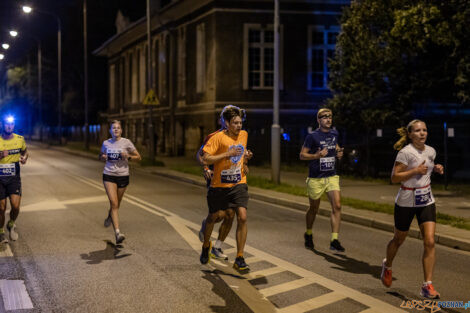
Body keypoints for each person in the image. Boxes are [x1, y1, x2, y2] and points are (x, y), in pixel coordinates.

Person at [381, 120, 444, 299]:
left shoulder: (431, 151)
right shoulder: (405, 153)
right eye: (417, 131)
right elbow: (394, 177)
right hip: (407, 200)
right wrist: (415, 170)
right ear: (410, 134)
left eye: (424, 130)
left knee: (430, 241)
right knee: (398, 239)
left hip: (426, 199)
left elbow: (429, 168)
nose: (422, 133)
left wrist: (437, 168)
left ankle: (427, 286)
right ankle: (388, 265)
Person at [197, 105, 252, 261]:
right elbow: (202, 156)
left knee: (237, 215)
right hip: (218, 183)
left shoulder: (243, 135)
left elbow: (241, 153)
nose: (239, 125)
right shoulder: (215, 136)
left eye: (240, 122)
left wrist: (246, 161)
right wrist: (207, 168)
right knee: (217, 216)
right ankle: (206, 244)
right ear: (225, 122)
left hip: (237, 183)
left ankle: (231, 253)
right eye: (235, 122)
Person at [299, 108, 345, 252]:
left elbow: (335, 145)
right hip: (316, 178)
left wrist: (338, 152)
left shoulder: (334, 133)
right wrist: (316, 156)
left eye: (330, 117)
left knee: (337, 206)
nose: (328, 119)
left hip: (331, 176)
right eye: (324, 117)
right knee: (314, 208)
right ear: (319, 120)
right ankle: (308, 233)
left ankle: (334, 240)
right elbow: (302, 155)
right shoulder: (312, 136)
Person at [100, 120, 141, 244]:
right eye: (113, 128)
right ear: (110, 131)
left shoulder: (126, 142)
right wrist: (103, 157)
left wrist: (128, 156)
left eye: (118, 128)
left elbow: (139, 157)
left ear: (121, 130)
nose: (116, 130)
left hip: (123, 176)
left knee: (116, 204)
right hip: (109, 175)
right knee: (114, 203)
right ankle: (118, 233)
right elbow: (100, 155)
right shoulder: (106, 143)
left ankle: (110, 215)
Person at [0, 115, 28, 243]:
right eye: (7, 124)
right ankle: (1, 232)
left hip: (14, 177)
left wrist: (24, 158)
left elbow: (25, 152)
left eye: (11, 124)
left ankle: (11, 224)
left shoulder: (20, 139)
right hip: (0, 179)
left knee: (15, 207)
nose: (9, 126)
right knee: (1, 208)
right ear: (2, 124)